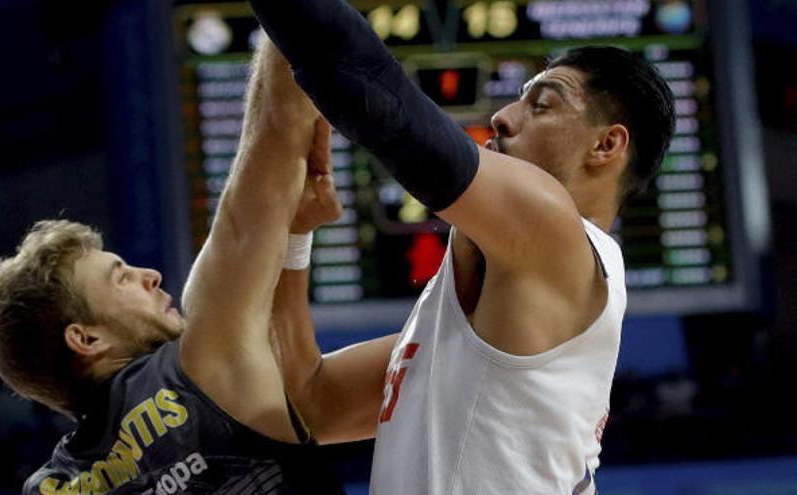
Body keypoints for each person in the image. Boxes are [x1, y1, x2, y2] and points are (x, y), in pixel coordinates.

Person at [252, 0, 675, 493]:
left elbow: (371, 92)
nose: (501, 117)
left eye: (542, 104)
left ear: (606, 147)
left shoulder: (557, 228)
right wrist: (297, 234)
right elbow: (308, 406)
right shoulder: (471, 327)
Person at [0, 39, 347, 495]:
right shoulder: (199, 362)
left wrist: (297, 239)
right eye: (121, 277)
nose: (149, 275)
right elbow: (277, 117)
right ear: (86, 338)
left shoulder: (51, 487)